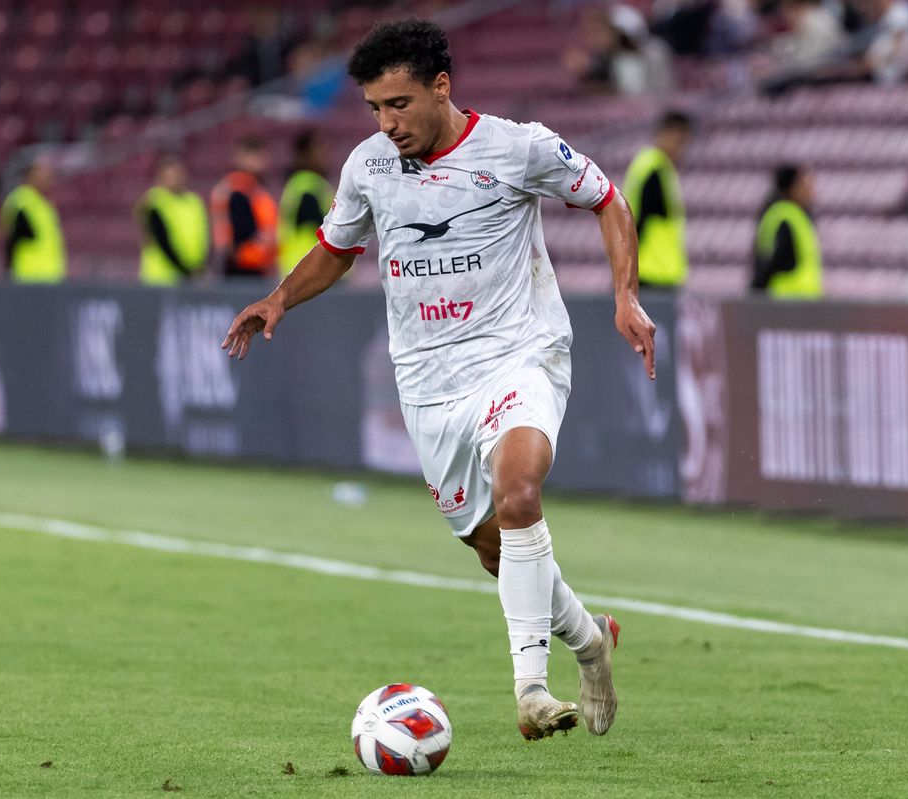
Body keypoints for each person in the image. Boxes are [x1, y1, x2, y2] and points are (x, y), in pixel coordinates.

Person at [222, 18, 657, 741]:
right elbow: (337, 247)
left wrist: (626, 296)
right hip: (428, 380)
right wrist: (279, 299)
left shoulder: (517, 148)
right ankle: (590, 641)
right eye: (375, 108)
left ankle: (531, 690)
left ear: (441, 87)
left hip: (520, 353)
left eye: (399, 104)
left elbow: (608, 199)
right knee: (492, 547)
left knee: (520, 492)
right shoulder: (368, 165)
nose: (387, 123)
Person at [623, 111, 692, 290]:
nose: (681, 149)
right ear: (666, 134)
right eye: (679, 141)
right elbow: (640, 219)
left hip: (654, 269)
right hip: (652, 270)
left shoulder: (652, 165)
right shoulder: (654, 169)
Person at [210, 136, 279, 279]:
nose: (258, 161)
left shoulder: (254, 188)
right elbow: (240, 230)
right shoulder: (238, 189)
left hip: (257, 263)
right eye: (253, 155)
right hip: (243, 264)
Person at [136, 153, 210, 286]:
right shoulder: (155, 202)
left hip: (190, 275)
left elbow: (203, 236)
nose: (175, 179)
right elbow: (162, 241)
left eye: (177, 174)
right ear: (160, 177)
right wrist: (186, 271)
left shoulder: (194, 201)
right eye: (170, 176)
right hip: (161, 277)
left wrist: (200, 266)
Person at [751, 164, 823, 298]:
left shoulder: (798, 216)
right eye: (805, 183)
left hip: (801, 303)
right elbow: (767, 265)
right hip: (784, 302)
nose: (811, 190)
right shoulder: (784, 218)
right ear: (792, 187)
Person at [277, 130, 334, 276]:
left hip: (303, 267)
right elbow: (324, 224)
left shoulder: (302, 183)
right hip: (310, 268)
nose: (323, 155)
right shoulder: (307, 185)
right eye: (318, 149)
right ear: (305, 154)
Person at [0, 161, 66, 283]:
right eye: (43, 175)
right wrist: (8, 269)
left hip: (48, 274)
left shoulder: (41, 202)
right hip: (29, 274)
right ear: (30, 176)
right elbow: (11, 237)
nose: (47, 179)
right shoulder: (22, 200)